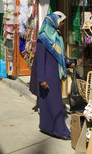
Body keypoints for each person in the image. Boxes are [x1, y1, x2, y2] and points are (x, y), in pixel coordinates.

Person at [29, 11, 75, 140]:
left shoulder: (56, 36)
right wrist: (42, 79)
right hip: (47, 76)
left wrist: (68, 63)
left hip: (55, 74)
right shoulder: (43, 39)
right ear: (54, 22)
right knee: (54, 104)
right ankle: (60, 131)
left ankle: (46, 127)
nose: (63, 24)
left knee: (50, 103)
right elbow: (40, 61)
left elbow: (60, 56)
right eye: (61, 21)